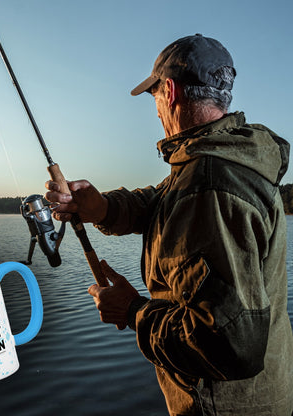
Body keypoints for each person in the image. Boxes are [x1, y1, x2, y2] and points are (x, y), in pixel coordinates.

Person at [45, 34, 293, 416]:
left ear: (171, 91)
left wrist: (132, 311)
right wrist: (101, 207)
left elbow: (230, 345)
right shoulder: (217, 160)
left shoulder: (210, 183)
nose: (157, 111)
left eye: (155, 97)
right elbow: (159, 202)